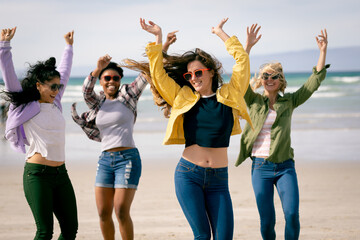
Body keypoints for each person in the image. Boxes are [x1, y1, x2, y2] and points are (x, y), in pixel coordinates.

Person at [140, 17, 252, 239]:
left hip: (219, 179)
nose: (193, 78)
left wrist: (220, 33)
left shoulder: (230, 94)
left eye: (198, 72)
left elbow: (242, 61)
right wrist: (158, 38)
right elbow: (158, 76)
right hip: (189, 174)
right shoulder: (183, 97)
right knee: (202, 236)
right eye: (188, 75)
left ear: (210, 71)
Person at [70, 34, 176, 240]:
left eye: (115, 78)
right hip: (104, 161)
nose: (111, 81)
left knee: (120, 210)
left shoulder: (129, 95)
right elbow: (86, 90)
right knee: (102, 212)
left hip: (128, 159)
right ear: (101, 80)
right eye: (106, 78)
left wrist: (164, 45)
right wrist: (98, 67)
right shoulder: (97, 103)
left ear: (120, 80)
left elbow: (148, 72)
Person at [236, 26, 329, 240]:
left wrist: (322, 52)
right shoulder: (254, 101)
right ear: (261, 79)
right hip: (260, 167)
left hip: (285, 166)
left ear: (281, 79)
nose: (269, 79)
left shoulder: (290, 101)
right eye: (265, 76)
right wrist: (247, 47)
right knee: (267, 221)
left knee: (292, 215)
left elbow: (312, 84)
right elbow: (240, 80)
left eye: (274, 76)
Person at [0, 27, 77, 239]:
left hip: (61, 174)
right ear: (39, 85)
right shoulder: (26, 106)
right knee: (44, 232)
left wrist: (69, 47)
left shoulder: (56, 104)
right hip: (37, 175)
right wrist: (4, 46)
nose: (56, 90)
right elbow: (9, 76)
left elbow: (65, 70)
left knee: (70, 230)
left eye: (58, 86)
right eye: (52, 86)